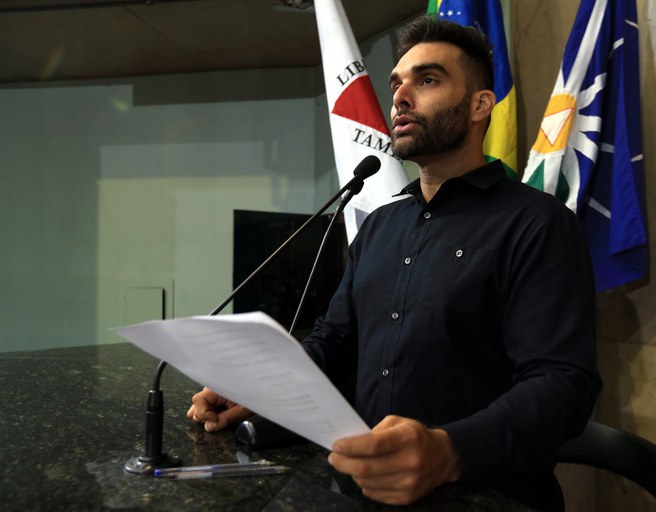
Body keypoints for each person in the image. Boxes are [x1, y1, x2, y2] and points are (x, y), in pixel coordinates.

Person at [187, 15, 601, 512]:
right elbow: (334, 342)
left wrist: (449, 450)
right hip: (366, 487)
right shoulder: (381, 224)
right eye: (396, 84)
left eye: (427, 80)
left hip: (486, 494)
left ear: (479, 105)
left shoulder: (537, 222)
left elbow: (562, 384)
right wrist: (258, 389)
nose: (400, 97)